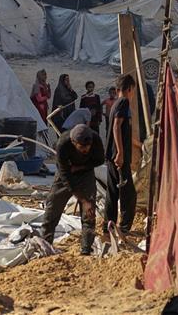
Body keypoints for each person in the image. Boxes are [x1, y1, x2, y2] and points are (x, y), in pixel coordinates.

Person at [41, 124, 105, 255]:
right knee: (53, 206)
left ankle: (86, 249)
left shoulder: (95, 139)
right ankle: (45, 244)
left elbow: (100, 160)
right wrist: (82, 199)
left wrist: (80, 167)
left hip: (85, 172)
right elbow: (64, 174)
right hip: (66, 174)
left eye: (88, 148)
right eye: (81, 148)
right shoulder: (62, 144)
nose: (85, 151)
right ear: (73, 142)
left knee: (89, 212)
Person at [105, 74, 137, 233]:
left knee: (113, 192)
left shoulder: (116, 104)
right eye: (133, 92)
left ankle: (108, 226)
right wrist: (120, 153)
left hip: (112, 155)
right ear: (130, 89)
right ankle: (124, 228)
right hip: (118, 157)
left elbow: (122, 130)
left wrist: (137, 144)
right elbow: (117, 127)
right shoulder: (124, 102)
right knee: (128, 194)